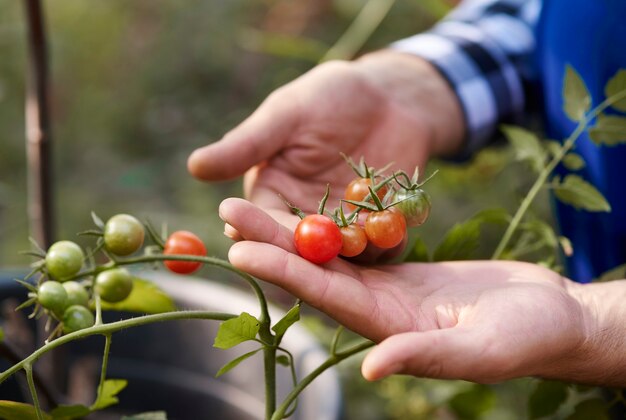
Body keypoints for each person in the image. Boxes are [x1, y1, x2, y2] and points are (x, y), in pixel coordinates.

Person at [187, 0, 626, 386]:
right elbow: (534, 16)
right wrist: (406, 88)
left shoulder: (371, 212)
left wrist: (599, 323)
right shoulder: (370, 211)